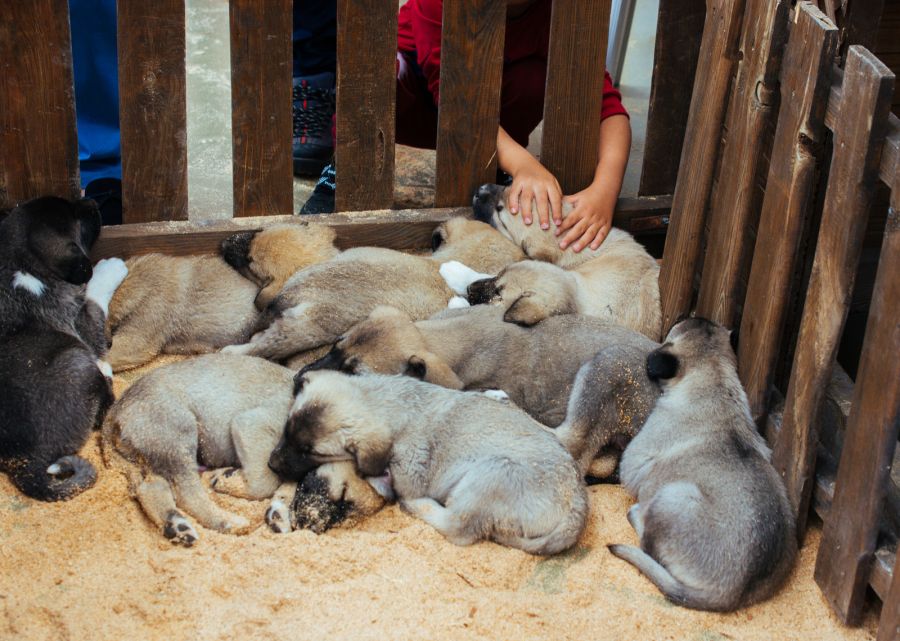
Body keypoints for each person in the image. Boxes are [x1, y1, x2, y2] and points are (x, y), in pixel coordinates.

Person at [299, 0, 631, 253]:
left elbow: (604, 104)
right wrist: (525, 165)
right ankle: (343, 173)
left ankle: (492, 172)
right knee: (378, 66)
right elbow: (454, 94)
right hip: (417, 113)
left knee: (533, 78)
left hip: (489, 134)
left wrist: (605, 190)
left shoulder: (563, 12)